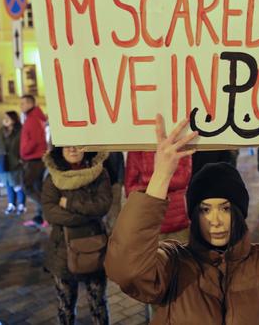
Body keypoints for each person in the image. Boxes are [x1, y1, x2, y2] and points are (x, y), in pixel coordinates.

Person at [106, 117, 259, 323]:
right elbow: (127, 270)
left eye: (225, 209)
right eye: (205, 210)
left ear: (239, 214)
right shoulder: (174, 264)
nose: (216, 221)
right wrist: (161, 176)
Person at [41, 146, 112, 325]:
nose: (73, 149)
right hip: (62, 253)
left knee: (98, 304)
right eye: (67, 145)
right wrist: (87, 214)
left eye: (78, 144)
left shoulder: (99, 174)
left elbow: (102, 206)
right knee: (65, 306)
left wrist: (68, 202)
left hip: (94, 248)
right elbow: (51, 213)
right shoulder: (53, 177)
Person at [125, 151, 191, 242]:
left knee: (181, 254)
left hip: (177, 220)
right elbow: (130, 190)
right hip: (149, 220)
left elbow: (182, 179)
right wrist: (165, 180)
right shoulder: (137, 150)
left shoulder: (179, 146)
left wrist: (147, 180)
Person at [20, 95, 49, 228]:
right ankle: (41, 217)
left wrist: (24, 151)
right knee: (38, 188)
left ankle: (46, 211)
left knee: (27, 186)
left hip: (33, 159)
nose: (21, 106)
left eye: (23, 103)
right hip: (36, 158)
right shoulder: (34, 117)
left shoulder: (32, 119)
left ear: (31, 104)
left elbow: (36, 139)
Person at [0, 111, 26, 215]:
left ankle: (22, 204)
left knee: (18, 184)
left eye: (7, 118)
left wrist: (21, 159)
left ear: (14, 120)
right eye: (4, 118)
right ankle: (11, 204)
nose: (5, 120)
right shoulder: (1, 131)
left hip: (16, 161)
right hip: (3, 160)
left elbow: (23, 146)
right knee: (8, 184)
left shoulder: (20, 131)